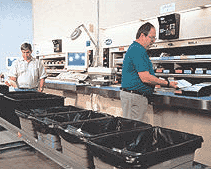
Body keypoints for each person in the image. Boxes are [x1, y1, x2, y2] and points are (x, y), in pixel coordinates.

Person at [120, 22, 178, 122]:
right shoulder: (138, 50)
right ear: (142, 35)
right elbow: (145, 77)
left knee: (130, 128)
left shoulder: (134, 48)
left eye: (154, 38)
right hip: (135, 98)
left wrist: (155, 83)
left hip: (133, 97)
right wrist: (168, 84)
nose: (153, 41)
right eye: (152, 38)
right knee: (133, 130)